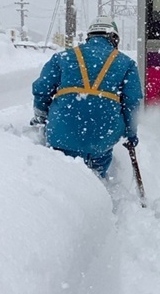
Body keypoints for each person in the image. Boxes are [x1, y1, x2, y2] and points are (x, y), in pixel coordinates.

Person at [31, 15, 143, 178]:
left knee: (61, 180)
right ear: (114, 38)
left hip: (62, 133)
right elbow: (132, 102)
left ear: (89, 36)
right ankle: (96, 194)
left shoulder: (62, 57)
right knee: (96, 179)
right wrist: (131, 133)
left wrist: (41, 116)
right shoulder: (126, 64)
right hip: (102, 136)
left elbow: (42, 88)